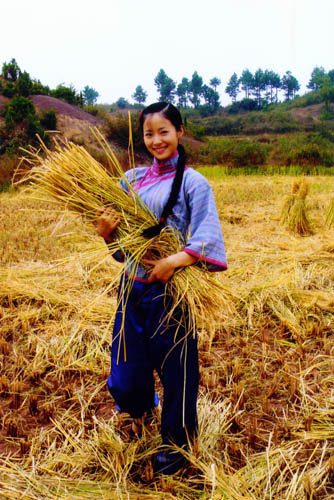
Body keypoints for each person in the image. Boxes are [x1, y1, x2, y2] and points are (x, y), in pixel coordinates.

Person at [97, 102, 227, 475]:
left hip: (174, 294)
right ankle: (136, 414)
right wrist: (108, 235)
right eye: (149, 134)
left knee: (178, 374)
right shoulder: (130, 180)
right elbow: (123, 252)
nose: (156, 140)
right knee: (125, 368)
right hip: (132, 290)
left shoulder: (193, 183)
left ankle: (178, 449)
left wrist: (175, 261)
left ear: (180, 132)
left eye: (164, 132)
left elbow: (206, 234)